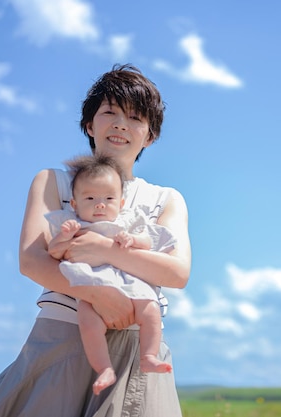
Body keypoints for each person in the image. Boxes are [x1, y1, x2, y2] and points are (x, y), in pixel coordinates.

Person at [0, 63, 191, 417]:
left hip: (138, 346)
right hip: (63, 334)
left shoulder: (165, 198)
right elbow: (33, 260)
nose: (120, 124)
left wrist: (101, 248)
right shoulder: (54, 181)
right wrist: (98, 294)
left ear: (151, 136)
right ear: (89, 124)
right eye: (109, 112)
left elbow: (176, 273)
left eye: (135, 118)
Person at [45, 153, 174, 395]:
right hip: (92, 287)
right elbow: (53, 252)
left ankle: (148, 356)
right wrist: (63, 237)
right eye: (90, 198)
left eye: (108, 198)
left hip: (130, 283)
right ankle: (104, 367)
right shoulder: (73, 225)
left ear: (121, 203)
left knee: (151, 309)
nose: (100, 204)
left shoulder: (129, 222)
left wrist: (131, 239)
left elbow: (148, 242)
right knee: (88, 321)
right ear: (74, 204)